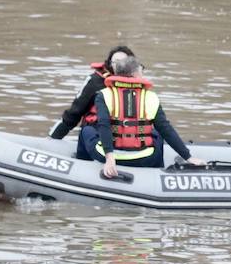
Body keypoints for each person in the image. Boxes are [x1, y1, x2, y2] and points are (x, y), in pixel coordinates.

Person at [79, 54, 207, 176]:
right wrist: (188, 157)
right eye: (141, 70)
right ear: (135, 74)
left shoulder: (104, 95)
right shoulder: (151, 97)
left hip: (111, 157)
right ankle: (157, 172)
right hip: (145, 158)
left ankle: (81, 166)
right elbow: (166, 129)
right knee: (157, 133)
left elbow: (104, 125)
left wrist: (109, 158)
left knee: (86, 130)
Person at [50, 44, 134, 143]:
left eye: (123, 62)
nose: (119, 65)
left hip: (128, 142)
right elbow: (73, 114)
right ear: (110, 64)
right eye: (116, 62)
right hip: (96, 139)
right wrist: (52, 139)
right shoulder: (95, 82)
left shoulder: (138, 86)